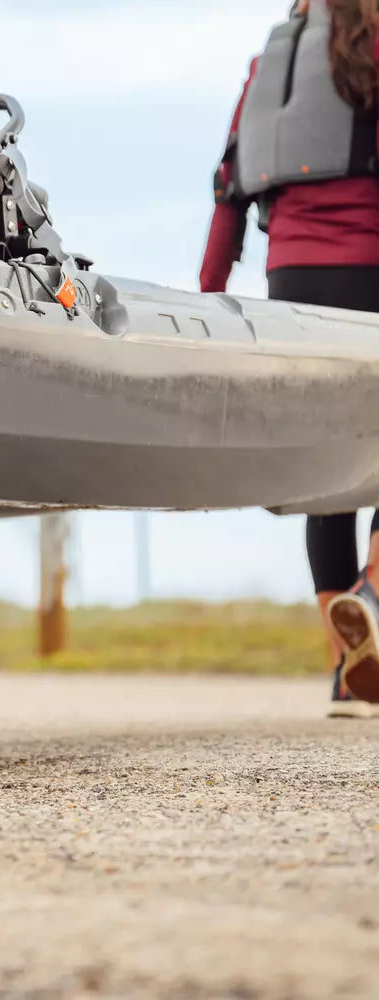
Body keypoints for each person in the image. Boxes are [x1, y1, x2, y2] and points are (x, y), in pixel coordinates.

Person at [201, 0, 379, 717]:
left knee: (329, 476)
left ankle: (348, 675)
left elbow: (227, 186)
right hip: (373, 266)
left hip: (293, 279)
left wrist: (211, 293)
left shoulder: (269, 62)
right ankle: (371, 594)